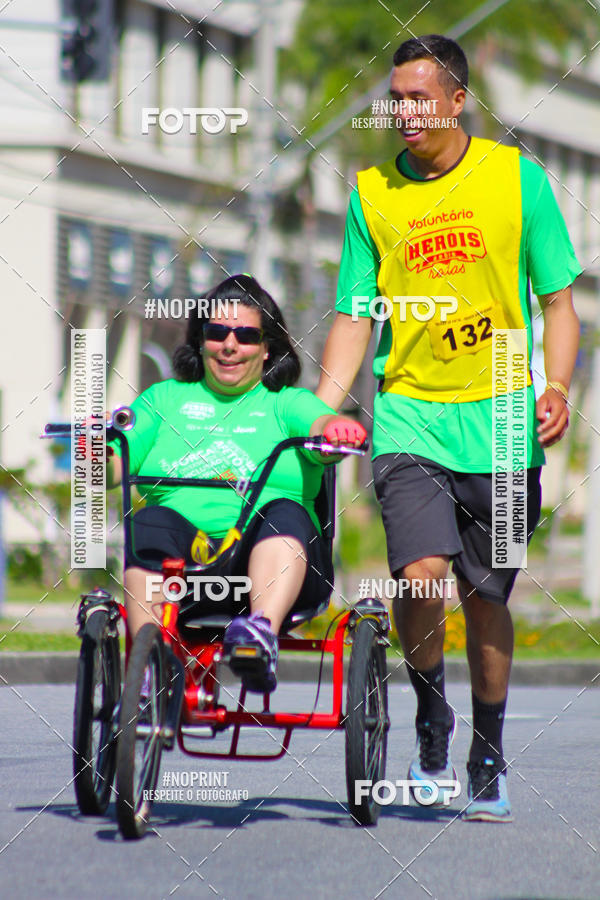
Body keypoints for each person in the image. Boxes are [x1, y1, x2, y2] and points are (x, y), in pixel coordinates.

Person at [317, 34, 581, 821]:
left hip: (503, 416)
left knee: (487, 595)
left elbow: (558, 304)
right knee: (421, 573)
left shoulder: (517, 180)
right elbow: (354, 316)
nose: (405, 112)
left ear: (457, 100)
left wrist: (557, 385)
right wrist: (324, 407)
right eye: (396, 98)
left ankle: (487, 754)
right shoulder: (371, 195)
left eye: (420, 98)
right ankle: (432, 721)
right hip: (410, 414)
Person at [108, 274, 366, 693]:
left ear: (267, 349)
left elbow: (321, 425)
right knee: (149, 521)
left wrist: (336, 431)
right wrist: (95, 456)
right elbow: (115, 461)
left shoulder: (287, 403)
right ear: (200, 340)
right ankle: (150, 664)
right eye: (217, 333)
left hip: (277, 571)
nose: (230, 345)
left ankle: (259, 635)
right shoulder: (162, 400)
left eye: (246, 336)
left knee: (284, 511)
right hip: (186, 572)